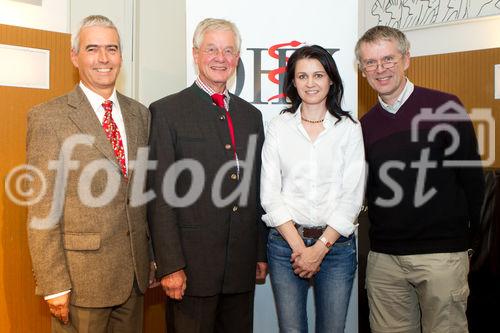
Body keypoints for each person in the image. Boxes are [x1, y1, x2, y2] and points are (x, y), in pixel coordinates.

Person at [356, 25, 485, 333]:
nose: (380, 69)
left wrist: (469, 243)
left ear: (406, 59)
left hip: (441, 257)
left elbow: (473, 181)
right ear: (362, 71)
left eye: (388, 59)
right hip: (385, 261)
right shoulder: (364, 126)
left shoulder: (445, 108)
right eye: (370, 63)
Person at [26, 15, 151, 333]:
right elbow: (42, 211)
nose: (104, 58)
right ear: (75, 56)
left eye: (112, 48)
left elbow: (140, 194)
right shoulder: (49, 118)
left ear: (121, 56)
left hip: (133, 279)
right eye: (93, 48)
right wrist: (54, 285)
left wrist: (150, 258)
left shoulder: (141, 115)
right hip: (81, 283)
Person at [147, 18, 268, 333]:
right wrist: (171, 265)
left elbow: (255, 189)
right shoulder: (167, 112)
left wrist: (258, 251)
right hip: (190, 271)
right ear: (195, 54)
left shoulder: (251, 117)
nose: (220, 58)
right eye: (211, 49)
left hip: (240, 267)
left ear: (237, 59)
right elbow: (159, 195)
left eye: (229, 51)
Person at [260, 45, 365, 333]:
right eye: (302, 76)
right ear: (293, 82)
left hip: (336, 249)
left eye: (318, 75)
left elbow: (352, 197)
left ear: (331, 79)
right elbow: (270, 194)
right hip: (285, 247)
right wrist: (300, 249)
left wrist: (319, 250)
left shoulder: (349, 128)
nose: (311, 83)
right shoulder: (279, 126)